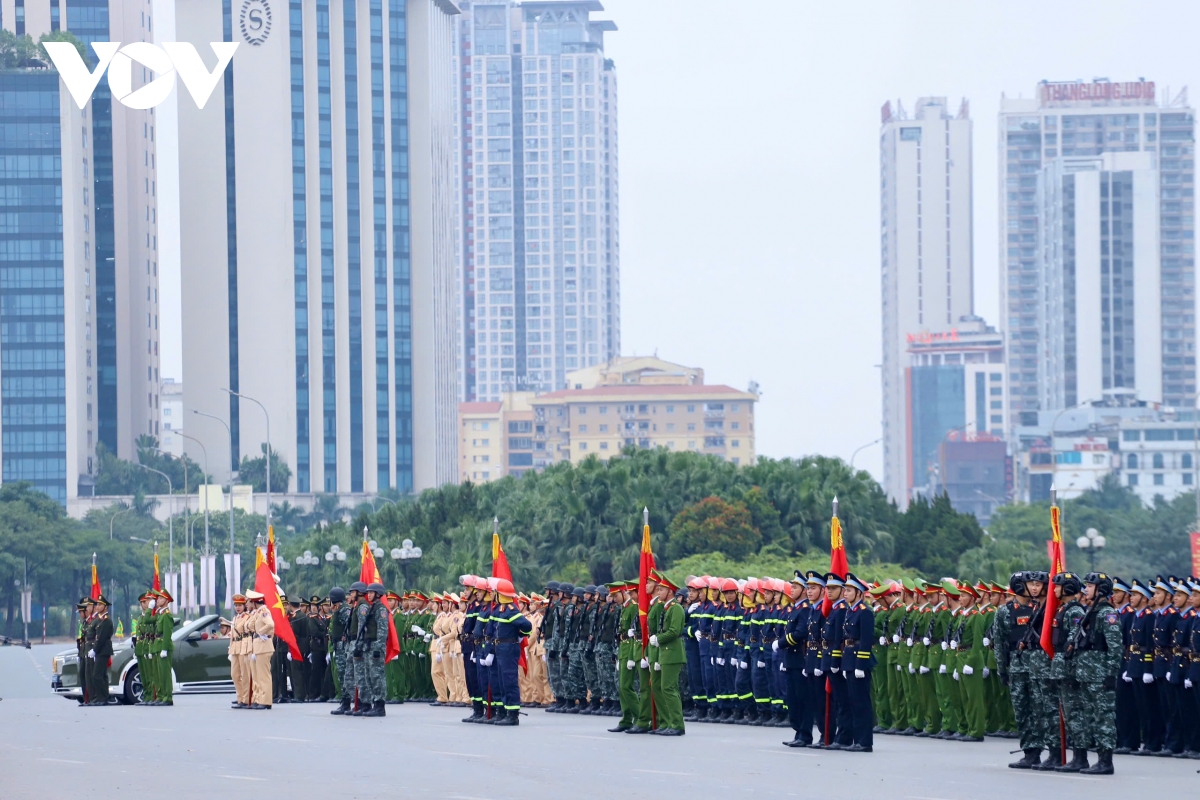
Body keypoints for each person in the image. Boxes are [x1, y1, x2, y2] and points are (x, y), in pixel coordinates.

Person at [1059, 572, 1122, 775]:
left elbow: (1115, 647)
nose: (1086, 589)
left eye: (1090, 586)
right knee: (1089, 717)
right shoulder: (1090, 612)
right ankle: (1082, 759)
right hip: (1086, 674)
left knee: (1104, 717)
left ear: (1101, 589)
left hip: (1100, 674)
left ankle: (1105, 761)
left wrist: (1111, 674)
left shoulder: (1107, 614)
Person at [488, 577, 533, 726]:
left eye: (496, 592)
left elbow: (527, 625)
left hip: (508, 648)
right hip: (501, 648)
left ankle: (513, 715)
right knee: (502, 681)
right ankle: (506, 711)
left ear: (501, 594)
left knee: (509, 681)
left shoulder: (511, 610)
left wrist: (520, 635)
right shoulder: (501, 610)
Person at [646, 572, 685, 736]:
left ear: (669, 591)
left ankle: (677, 724)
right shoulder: (668, 608)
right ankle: (669, 722)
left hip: (672, 653)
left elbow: (674, 631)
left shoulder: (676, 608)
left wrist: (658, 639)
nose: (659, 591)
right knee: (664, 688)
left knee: (669, 688)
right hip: (665, 652)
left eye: (661, 589)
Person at [839, 574, 875, 752]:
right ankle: (857, 739)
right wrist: (846, 664)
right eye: (845, 590)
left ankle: (865, 741)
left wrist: (860, 664)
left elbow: (866, 640)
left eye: (849, 590)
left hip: (860, 661)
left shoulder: (864, 611)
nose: (845, 593)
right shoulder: (850, 611)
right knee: (853, 702)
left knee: (862, 703)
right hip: (850, 660)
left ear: (859, 593)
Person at [353, 582, 390, 717]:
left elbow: (382, 630)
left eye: (371, 592)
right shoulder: (373, 608)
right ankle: (374, 702)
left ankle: (380, 705)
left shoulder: (381, 609)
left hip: (376, 646)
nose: (368, 595)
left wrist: (378, 648)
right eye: (368, 592)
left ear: (378, 594)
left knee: (377, 676)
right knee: (369, 675)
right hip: (369, 645)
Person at [245, 590, 275, 709]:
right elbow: (249, 626)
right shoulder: (258, 612)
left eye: (250, 602)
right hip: (258, 646)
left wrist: (261, 632)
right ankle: (259, 699)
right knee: (258, 675)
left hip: (264, 646)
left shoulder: (264, 612)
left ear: (254, 602)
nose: (247, 604)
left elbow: (270, 624)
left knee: (264, 676)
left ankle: (266, 701)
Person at [83, 595, 115, 705]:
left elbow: (101, 638)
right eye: (97, 604)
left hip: (103, 650)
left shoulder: (106, 621)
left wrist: (95, 650)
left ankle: (102, 697)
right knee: (102, 675)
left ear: (106, 607)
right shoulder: (100, 620)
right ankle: (103, 697)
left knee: (97, 675)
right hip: (100, 650)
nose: (98, 606)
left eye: (100, 605)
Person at [328, 586, 354, 714]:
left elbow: (350, 625)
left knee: (345, 675)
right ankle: (345, 701)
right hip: (339, 647)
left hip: (343, 648)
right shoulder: (339, 609)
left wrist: (345, 636)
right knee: (341, 675)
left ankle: (346, 702)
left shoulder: (344, 610)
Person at [132, 592, 154, 705]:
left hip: (148, 647)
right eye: (143, 602)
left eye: (147, 601)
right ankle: (146, 696)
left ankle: (151, 696)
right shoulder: (140, 617)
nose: (144, 604)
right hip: (141, 648)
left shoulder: (151, 617)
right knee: (143, 675)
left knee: (150, 675)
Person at [228, 593, 249, 708]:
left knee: (244, 674)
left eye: (240, 605)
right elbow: (232, 636)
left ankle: (245, 699)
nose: (238, 607)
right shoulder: (235, 618)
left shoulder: (247, 617)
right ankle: (240, 697)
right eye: (236, 605)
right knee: (234, 674)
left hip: (243, 646)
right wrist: (230, 650)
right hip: (235, 647)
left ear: (244, 605)